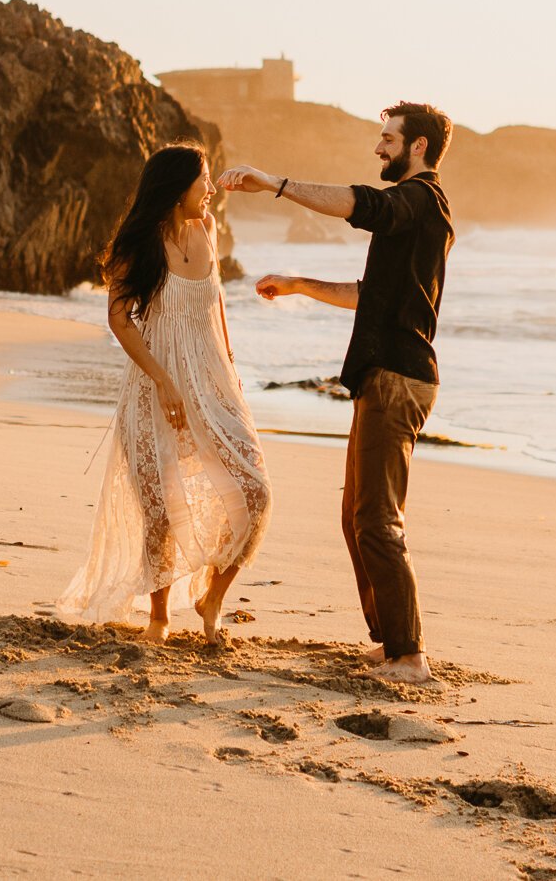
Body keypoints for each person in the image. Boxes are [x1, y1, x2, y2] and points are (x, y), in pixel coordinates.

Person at [217, 102, 454, 684]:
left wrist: (277, 185)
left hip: (399, 379)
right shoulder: (415, 214)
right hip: (386, 376)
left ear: (417, 147)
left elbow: (362, 205)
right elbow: (369, 294)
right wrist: (299, 284)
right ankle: (392, 641)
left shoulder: (420, 200)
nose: (378, 149)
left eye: (387, 139)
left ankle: (409, 656)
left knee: (376, 519)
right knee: (356, 516)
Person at [57, 143, 271, 644]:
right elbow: (118, 317)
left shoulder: (208, 229)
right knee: (161, 509)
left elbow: (216, 298)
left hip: (212, 380)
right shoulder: (141, 243)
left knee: (256, 491)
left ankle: (211, 596)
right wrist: (162, 379)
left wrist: (231, 362)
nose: (212, 190)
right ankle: (159, 618)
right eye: (203, 181)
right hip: (156, 383)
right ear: (178, 190)